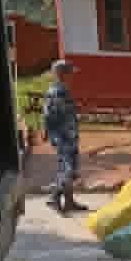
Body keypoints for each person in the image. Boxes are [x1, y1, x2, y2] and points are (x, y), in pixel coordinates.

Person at [42, 60, 86, 215]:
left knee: (69, 168)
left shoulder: (60, 90)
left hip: (67, 135)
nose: (72, 76)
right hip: (64, 137)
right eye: (70, 73)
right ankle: (54, 198)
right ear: (63, 74)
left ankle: (69, 201)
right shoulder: (58, 92)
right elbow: (50, 116)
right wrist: (50, 133)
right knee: (68, 169)